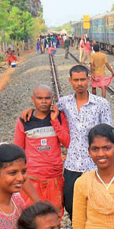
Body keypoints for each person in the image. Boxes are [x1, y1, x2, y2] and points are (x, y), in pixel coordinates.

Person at [58, 64, 112, 218]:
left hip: (95, 164)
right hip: (72, 164)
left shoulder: (101, 104)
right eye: (76, 80)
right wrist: (28, 112)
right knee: (71, 204)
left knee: (97, 205)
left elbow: (109, 133)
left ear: (88, 79)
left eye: (82, 79)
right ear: (70, 81)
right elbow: (46, 111)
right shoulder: (64, 103)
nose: (79, 83)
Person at [13, 85, 70, 215]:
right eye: (39, 98)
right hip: (32, 178)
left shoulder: (59, 117)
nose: (43, 101)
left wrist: (55, 121)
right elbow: (17, 150)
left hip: (54, 177)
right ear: (33, 99)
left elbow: (67, 142)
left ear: (53, 99)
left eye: (47, 98)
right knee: (32, 216)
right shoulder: (25, 120)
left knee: (54, 214)